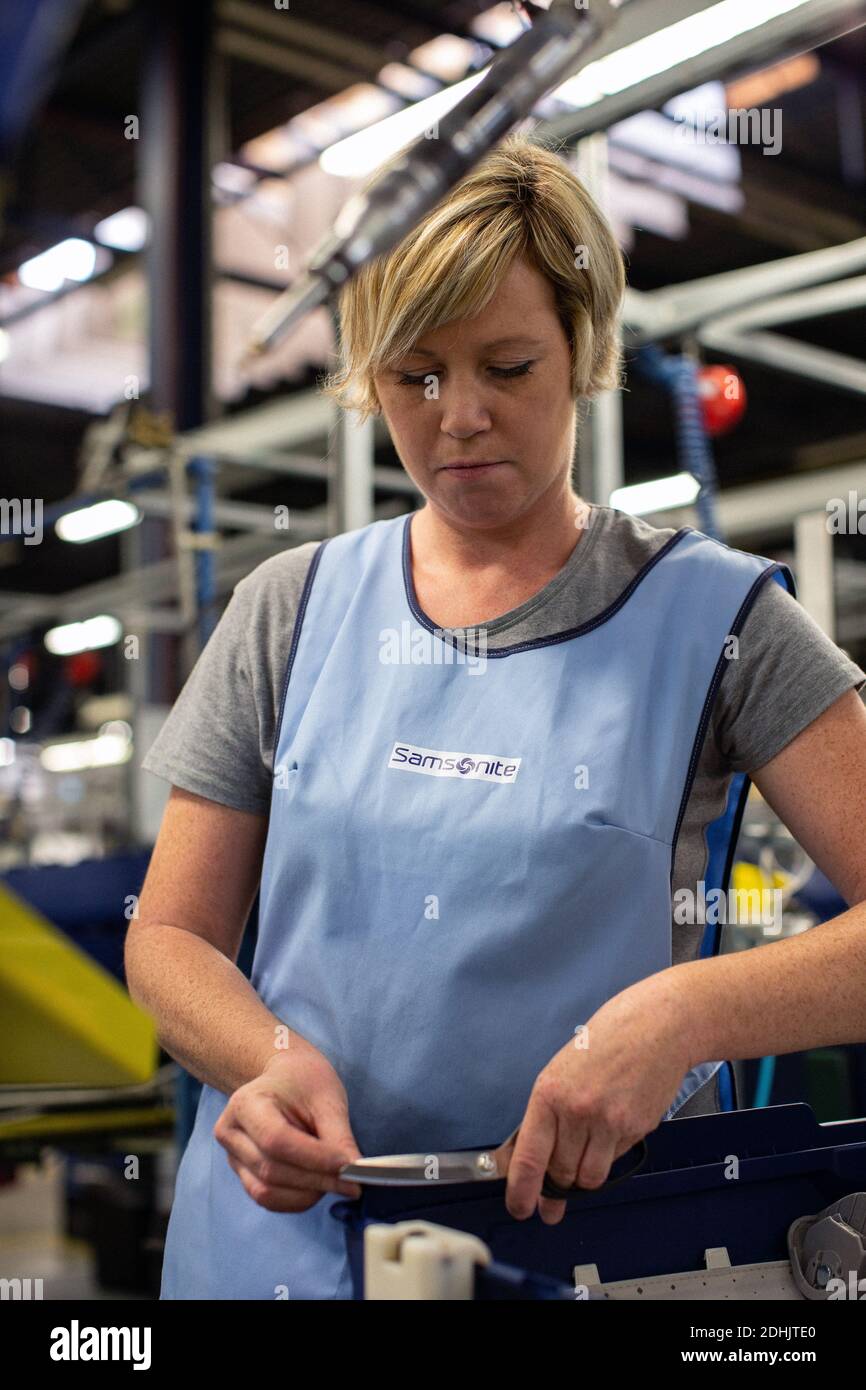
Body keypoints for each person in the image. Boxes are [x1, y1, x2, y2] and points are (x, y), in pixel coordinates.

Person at [127, 136, 866, 1300]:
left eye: (506, 366)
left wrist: (680, 1016)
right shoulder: (288, 610)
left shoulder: (718, 622)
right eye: (413, 374)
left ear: (580, 350)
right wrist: (260, 1059)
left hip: (591, 1250)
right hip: (285, 1245)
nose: (458, 415)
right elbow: (168, 936)